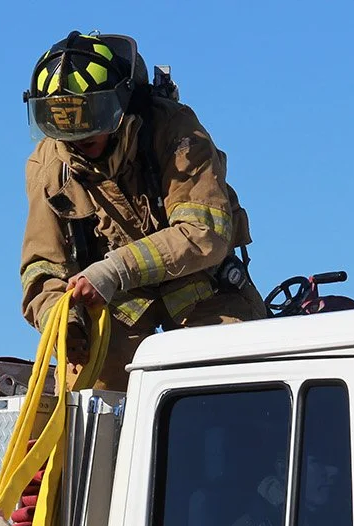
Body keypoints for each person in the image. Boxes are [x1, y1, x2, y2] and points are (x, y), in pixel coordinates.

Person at [20, 32, 268, 390]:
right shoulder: (49, 166)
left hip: (206, 292)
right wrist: (63, 319)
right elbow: (42, 265)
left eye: (91, 115)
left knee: (236, 387)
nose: (77, 135)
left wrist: (113, 271)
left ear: (121, 105)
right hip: (119, 311)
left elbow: (204, 233)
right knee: (84, 393)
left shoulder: (177, 133)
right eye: (62, 121)